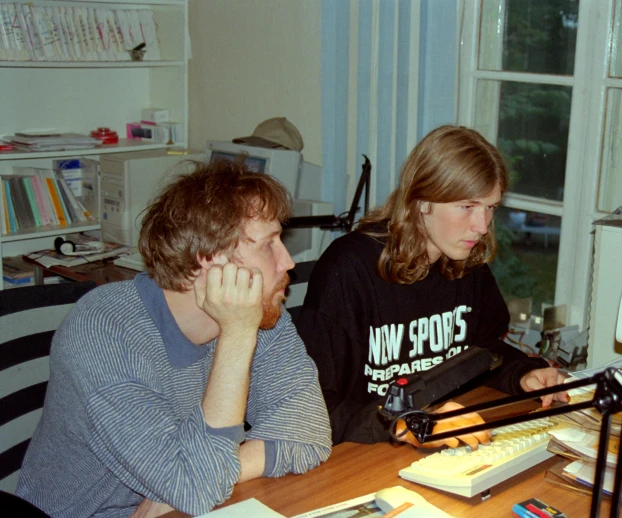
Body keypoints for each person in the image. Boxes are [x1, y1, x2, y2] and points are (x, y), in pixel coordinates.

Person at [16, 158, 332, 517]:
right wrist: (238, 334)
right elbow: (197, 488)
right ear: (211, 260)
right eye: (268, 244)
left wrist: (194, 484)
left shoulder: (261, 314)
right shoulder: (104, 334)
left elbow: (310, 434)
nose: (288, 261)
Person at [296, 125, 568, 448]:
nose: (482, 227)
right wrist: (409, 424)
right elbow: (315, 411)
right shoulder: (347, 271)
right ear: (422, 200)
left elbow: (482, 353)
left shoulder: (466, 264)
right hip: (363, 452)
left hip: (436, 444)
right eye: (467, 206)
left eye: (490, 208)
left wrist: (522, 373)